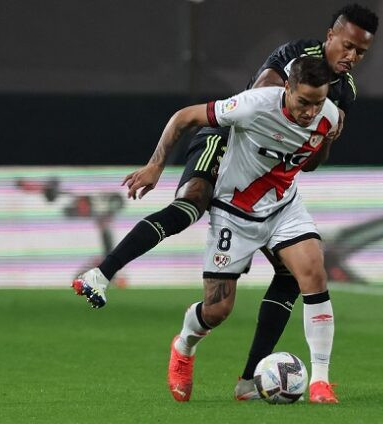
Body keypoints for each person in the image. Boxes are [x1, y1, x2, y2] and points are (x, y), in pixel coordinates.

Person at [72, 3, 378, 400]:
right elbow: (252, 107)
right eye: (348, 46)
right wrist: (155, 166)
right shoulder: (287, 70)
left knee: (303, 274)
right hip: (229, 139)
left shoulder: (339, 99)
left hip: (276, 189)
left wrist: (317, 138)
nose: (352, 57)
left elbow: (313, 152)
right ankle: (109, 279)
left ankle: (267, 379)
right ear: (331, 35)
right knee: (192, 210)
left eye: (362, 53)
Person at [125, 56, 340, 402]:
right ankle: (184, 344)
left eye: (317, 103)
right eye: (303, 102)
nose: (310, 112)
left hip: (283, 206)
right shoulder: (253, 104)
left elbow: (310, 163)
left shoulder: (327, 114)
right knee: (217, 311)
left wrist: (326, 139)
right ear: (287, 88)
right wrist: (155, 166)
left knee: (313, 273)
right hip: (234, 210)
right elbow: (185, 117)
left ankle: (320, 382)